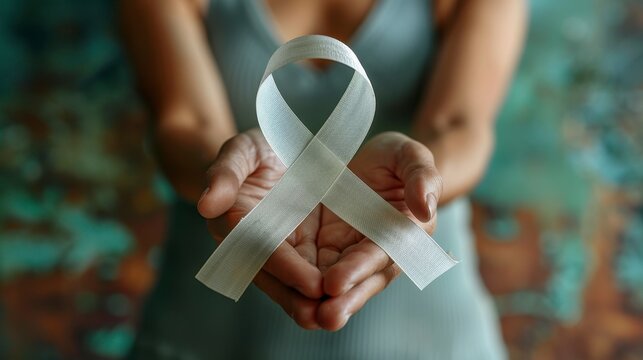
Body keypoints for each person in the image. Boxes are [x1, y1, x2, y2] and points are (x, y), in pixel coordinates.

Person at [119, 0, 526, 358]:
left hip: (426, 335)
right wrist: (227, 173)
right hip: (210, 335)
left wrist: (423, 180)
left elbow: (460, 123)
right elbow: (184, 122)